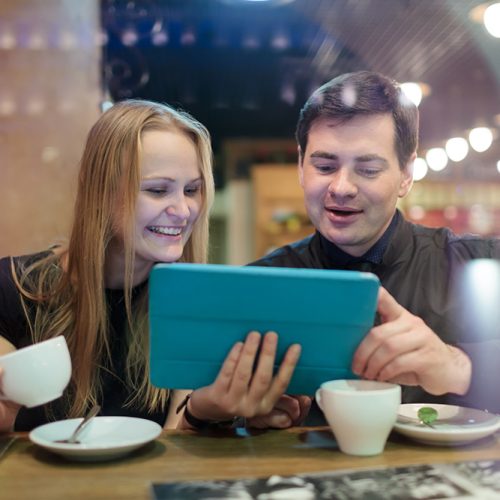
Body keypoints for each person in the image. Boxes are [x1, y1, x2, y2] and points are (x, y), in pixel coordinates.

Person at [0, 99, 307, 433]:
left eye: (192, 190)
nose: (184, 210)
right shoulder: (13, 288)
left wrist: (204, 413)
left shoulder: (195, 303)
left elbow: (175, 445)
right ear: (99, 190)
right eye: (158, 190)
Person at [250, 70, 500, 415]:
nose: (341, 187)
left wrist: (461, 367)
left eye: (367, 170)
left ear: (406, 175)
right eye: (324, 166)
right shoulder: (262, 285)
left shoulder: (478, 265)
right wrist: (238, 415)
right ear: (300, 165)